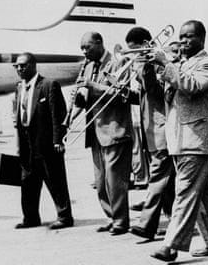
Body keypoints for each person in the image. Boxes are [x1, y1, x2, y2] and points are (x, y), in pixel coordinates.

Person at [149, 20, 208, 262]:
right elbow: (165, 95)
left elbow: (191, 86)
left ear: (202, 39)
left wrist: (167, 63)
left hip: (196, 138)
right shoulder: (180, 64)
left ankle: (170, 246)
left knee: (184, 192)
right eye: (182, 37)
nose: (183, 41)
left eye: (189, 37)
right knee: (203, 193)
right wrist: (152, 68)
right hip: (180, 138)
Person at [74, 32, 133, 235]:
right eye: (81, 48)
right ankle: (111, 216)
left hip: (115, 129)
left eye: (87, 47)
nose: (84, 51)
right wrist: (79, 98)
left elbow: (121, 95)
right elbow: (88, 99)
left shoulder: (117, 62)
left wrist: (90, 85)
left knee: (115, 181)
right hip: (95, 132)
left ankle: (121, 221)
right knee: (100, 183)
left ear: (99, 43)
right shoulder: (88, 66)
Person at [122, 27, 176, 241]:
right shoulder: (145, 63)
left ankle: (146, 225)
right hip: (151, 132)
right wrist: (126, 92)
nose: (133, 55)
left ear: (146, 42)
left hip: (162, 130)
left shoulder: (160, 61)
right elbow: (145, 97)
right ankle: (175, 221)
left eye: (135, 50)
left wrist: (143, 67)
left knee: (158, 178)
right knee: (168, 183)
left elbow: (156, 90)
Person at [13, 52, 73, 230]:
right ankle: (30, 218)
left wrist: (58, 140)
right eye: (16, 66)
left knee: (55, 180)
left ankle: (64, 216)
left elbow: (58, 116)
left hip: (46, 145)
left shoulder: (48, 85)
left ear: (33, 65)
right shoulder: (19, 88)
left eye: (22, 65)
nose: (19, 69)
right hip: (27, 147)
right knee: (28, 183)